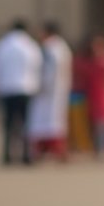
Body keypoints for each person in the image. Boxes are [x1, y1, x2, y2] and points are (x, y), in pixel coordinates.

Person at [0, 20, 42, 165]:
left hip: (7, 89)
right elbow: (38, 67)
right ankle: (26, 155)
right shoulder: (31, 46)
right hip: (26, 88)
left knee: (8, 124)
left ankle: (7, 155)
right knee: (26, 124)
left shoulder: (2, 45)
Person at [26, 22, 73, 162]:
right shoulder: (62, 47)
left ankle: (52, 150)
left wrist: (42, 86)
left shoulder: (50, 49)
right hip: (58, 90)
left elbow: (49, 71)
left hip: (49, 91)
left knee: (47, 121)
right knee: (53, 121)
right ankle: (50, 150)